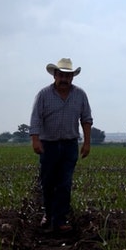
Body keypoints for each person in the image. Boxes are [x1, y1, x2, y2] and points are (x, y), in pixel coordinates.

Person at [29, 58, 93, 232]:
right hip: (48, 145)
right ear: (55, 75)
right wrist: (35, 140)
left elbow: (86, 120)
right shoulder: (43, 95)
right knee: (48, 183)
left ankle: (59, 220)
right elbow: (36, 118)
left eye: (68, 75)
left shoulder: (80, 95)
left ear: (72, 77)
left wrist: (87, 143)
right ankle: (49, 215)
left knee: (64, 183)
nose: (64, 79)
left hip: (69, 145)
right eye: (61, 75)